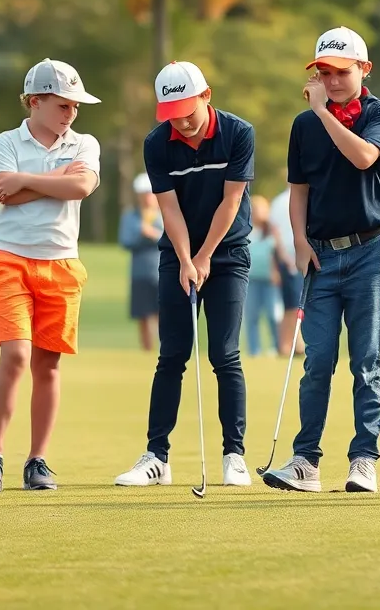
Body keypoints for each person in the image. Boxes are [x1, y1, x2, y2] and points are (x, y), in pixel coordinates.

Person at [262, 26, 380, 494]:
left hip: (370, 253)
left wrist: (322, 111)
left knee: (366, 363)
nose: (331, 80)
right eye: (323, 72)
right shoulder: (303, 127)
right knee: (317, 361)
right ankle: (306, 461)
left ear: (364, 69)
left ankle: (363, 460)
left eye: (341, 72)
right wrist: (299, 242)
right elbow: (297, 192)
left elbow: (363, 158)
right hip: (320, 257)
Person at [115, 60, 255, 488]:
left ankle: (234, 456)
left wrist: (206, 255)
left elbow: (231, 203)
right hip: (177, 254)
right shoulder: (157, 143)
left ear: (206, 96)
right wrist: (185, 258)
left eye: (188, 113)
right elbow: (168, 208)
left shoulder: (238, 133)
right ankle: (156, 456)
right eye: (172, 114)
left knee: (224, 355)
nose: (183, 123)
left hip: (227, 253)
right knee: (172, 355)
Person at [0, 60, 101, 494]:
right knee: (15, 357)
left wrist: (26, 183)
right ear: (35, 101)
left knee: (47, 365)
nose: (71, 113)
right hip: (10, 258)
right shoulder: (6, 141)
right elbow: (1, 193)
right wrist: (55, 178)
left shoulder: (85, 143)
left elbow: (80, 189)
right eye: (62, 104)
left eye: (74, 106)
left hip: (62, 264)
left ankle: (37, 460)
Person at [119, 173, 162, 352]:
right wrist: (141, 235)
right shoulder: (130, 217)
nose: (147, 197)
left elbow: (174, 241)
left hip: (162, 272)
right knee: (143, 315)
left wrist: (153, 234)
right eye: (144, 193)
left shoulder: (167, 214)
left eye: (150, 193)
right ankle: (146, 350)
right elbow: (125, 241)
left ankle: (164, 351)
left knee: (164, 315)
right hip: (139, 273)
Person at [269, 181, 304, 356]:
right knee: (291, 305)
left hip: (300, 256)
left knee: (299, 303)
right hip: (290, 258)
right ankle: (284, 345)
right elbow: (276, 233)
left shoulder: (279, 201)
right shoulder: (280, 201)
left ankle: (297, 344)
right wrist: (285, 257)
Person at [245, 194, 281, 357]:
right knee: (252, 316)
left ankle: (276, 347)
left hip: (270, 280)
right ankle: (254, 350)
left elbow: (276, 252)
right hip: (251, 279)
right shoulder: (246, 228)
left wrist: (276, 271)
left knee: (273, 315)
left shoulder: (272, 230)